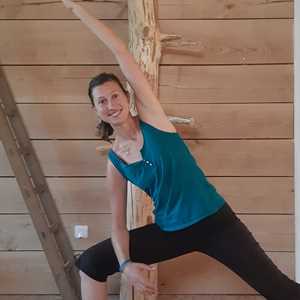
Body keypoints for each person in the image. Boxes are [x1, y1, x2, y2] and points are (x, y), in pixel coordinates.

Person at [62, 1, 300, 299]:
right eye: (102, 101)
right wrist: (125, 265)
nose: (111, 105)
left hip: (216, 222)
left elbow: (121, 52)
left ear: (127, 96)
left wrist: (76, 9)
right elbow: (117, 225)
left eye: (114, 95)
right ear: (96, 110)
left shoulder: (154, 119)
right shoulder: (115, 162)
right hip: (172, 231)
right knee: (92, 262)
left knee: (281, 291)